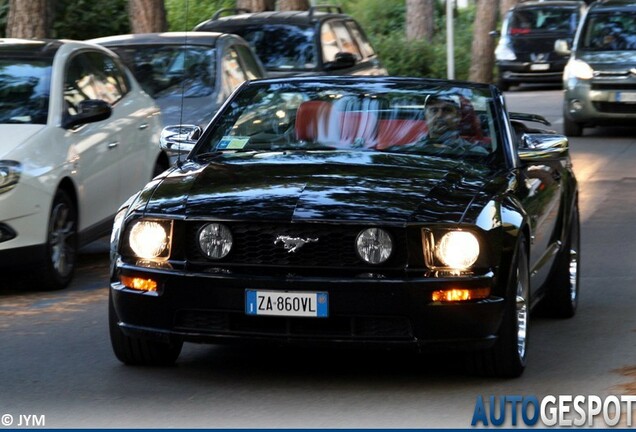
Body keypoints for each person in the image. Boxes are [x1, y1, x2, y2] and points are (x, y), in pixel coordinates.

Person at [383, 94, 489, 155]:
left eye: (447, 110)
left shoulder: (477, 154)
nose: (439, 115)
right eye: (434, 110)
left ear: (458, 117)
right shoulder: (404, 152)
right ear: (425, 116)